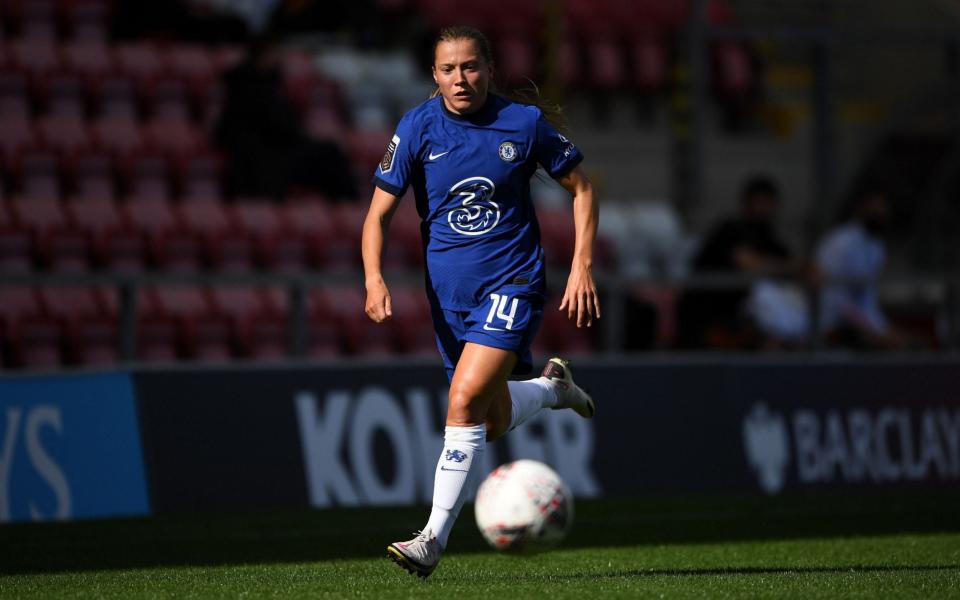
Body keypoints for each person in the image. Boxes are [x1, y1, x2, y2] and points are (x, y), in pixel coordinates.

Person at [361, 25, 600, 577]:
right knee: (486, 423)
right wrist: (373, 278)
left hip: (513, 285)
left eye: (470, 66)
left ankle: (431, 540)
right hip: (449, 300)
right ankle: (551, 388)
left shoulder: (523, 124)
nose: (460, 78)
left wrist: (582, 266)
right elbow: (376, 215)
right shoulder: (418, 127)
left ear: (489, 69)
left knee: (463, 402)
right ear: (434, 75)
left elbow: (582, 189)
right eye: (448, 69)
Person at [677, 175, 803, 348]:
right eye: (759, 202)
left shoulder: (772, 241)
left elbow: (796, 267)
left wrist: (797, 267)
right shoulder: (729, 230)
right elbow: (748, 263)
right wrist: (788, 267)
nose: (763, 209)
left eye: (768, 203)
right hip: (710, 317)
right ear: (746, 203)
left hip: (749, 320)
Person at [816, 189, 900, 349]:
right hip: (832, 322)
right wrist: (871, 331)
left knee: (909, 343)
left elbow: (867, 300)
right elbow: (832, 297)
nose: (880, 213)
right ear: (860, 209)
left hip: (859, 323)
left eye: (883, 208)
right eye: (874, 208)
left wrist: (883, 330)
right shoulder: (840, 243)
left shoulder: (877, 247)